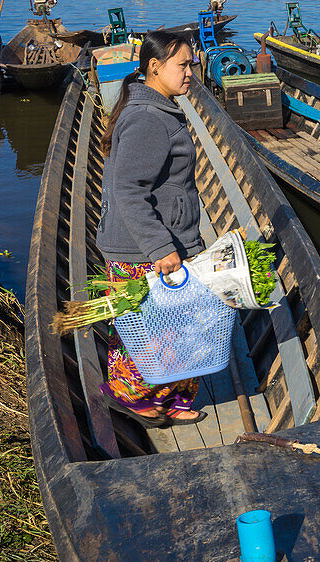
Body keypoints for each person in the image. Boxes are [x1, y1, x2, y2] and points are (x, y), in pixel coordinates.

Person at [96, 31, 206, 427]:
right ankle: (128, 397)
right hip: (140, 248)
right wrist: (161, 248)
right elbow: (127, 190)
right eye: (184, 65)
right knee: (144, 328)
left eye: (192, 64)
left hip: (163, 237)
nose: (191, 71)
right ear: (155, 68)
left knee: (174, 324)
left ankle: (170, 394)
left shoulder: (159, 109)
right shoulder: (147, 118)